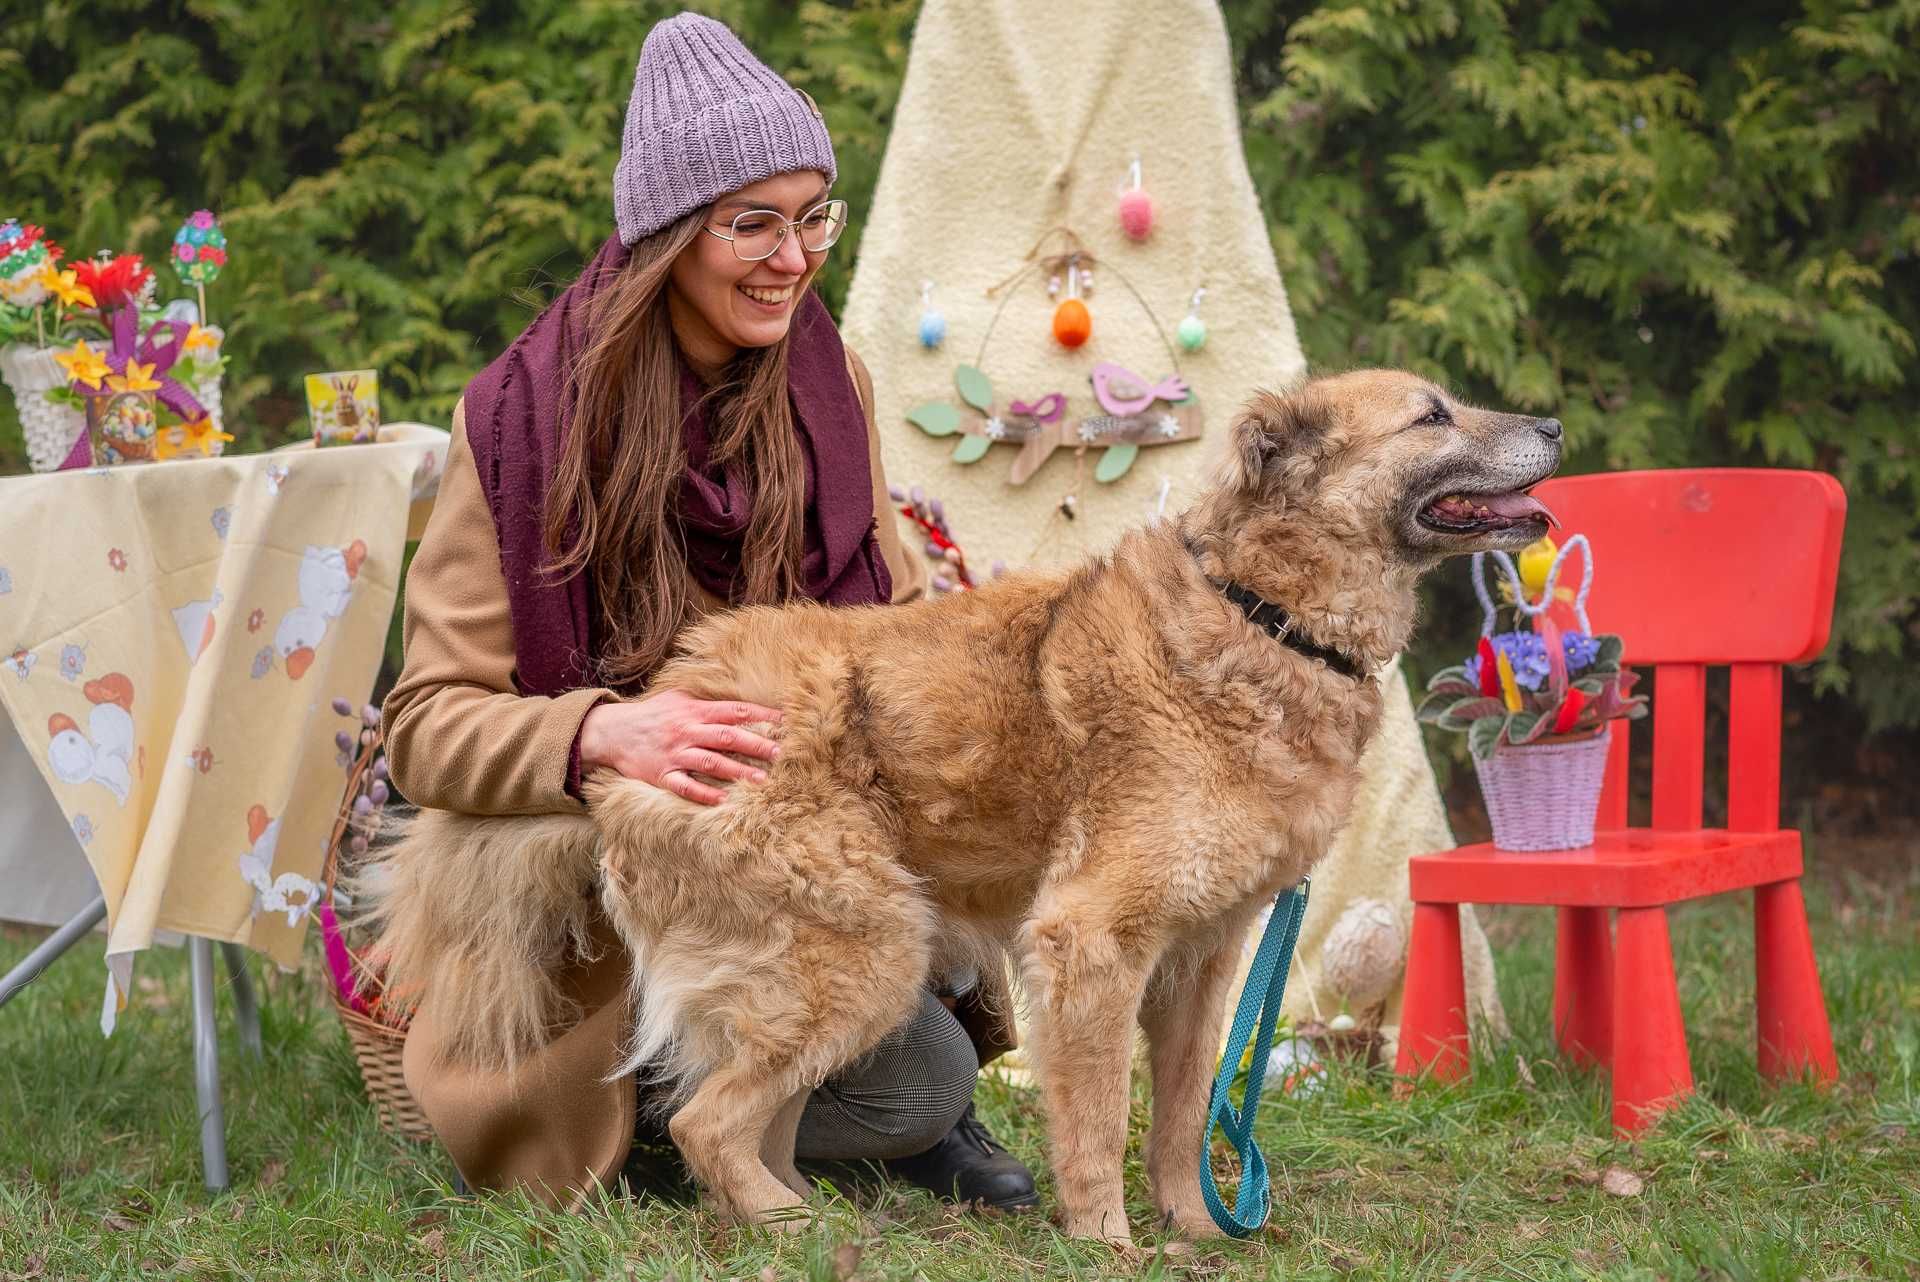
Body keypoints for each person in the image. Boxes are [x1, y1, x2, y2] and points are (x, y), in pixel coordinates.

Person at [381, 12, 1036, 1213]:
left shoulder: (830, 383)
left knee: (923, 1074)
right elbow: (423, 725)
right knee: (894, 1079)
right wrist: (598, 736)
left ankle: (801, 1093)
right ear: (672, 235)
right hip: (618, 864)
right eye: (753, 224)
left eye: (813, 216)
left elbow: (884, 630)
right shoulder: (519, 420)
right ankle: (626, 1110)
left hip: (797, 839)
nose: (793, 258)